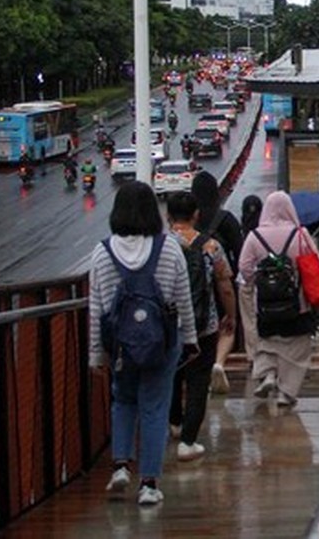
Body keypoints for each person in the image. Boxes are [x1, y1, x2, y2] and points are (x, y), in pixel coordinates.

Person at [87, 182, 196, 506]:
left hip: (121, 346)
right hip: (162, 343)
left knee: (123, 400)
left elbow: (97, 307)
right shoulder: (169, 248)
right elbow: (183, 299)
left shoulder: (102, 253)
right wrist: (190, 338)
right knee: (155, 407)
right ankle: (149, 484)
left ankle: (121, 465)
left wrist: (96, 353)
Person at [237, 192, 319, 407]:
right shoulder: (300, 234)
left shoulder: (255, 236)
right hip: (297, 303)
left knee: (267, 340)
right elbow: (316, 263)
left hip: (265, 304)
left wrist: (259, 281)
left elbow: (244, 267)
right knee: (298, 347)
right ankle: (286, 393)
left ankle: (268, 374)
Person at [165, 191, 237, 461]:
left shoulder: (162, 246)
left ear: (168, 216)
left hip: (170, 324)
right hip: (203, 324)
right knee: (198, 381)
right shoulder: (211, 246)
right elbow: (225, 284)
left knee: (172, 373)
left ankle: (174, 422)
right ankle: (189, 441)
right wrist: (231, 316)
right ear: (196, 215)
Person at [191, 172, 244, 395]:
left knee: (200, 327)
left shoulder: (190, 221)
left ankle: (200, 367)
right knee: (227, 325)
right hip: (222, 281)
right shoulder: (226, 219)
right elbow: (240, 253)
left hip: (194, 286)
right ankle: (219, 362)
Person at [235, 195, 264, 363]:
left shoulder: (242, 230)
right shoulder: (264, 230)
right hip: (265, 279)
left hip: (246, 280)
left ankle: (253, 354)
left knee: (249, 319)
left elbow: (242, 262)